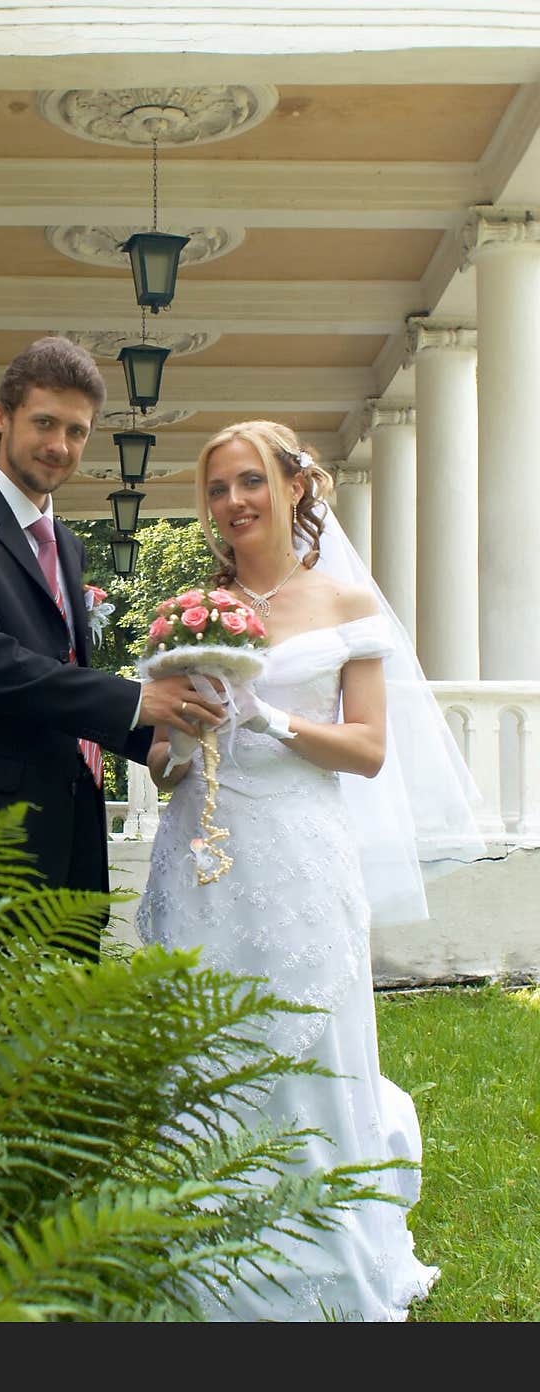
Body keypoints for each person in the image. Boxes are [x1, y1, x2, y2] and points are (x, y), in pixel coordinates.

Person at [136, 419, 483, 1321]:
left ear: (295, 486)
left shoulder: (342, 604)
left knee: (304, 1036)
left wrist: (269, 719)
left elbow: (367, 749)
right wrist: (182, 736)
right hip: (200, 854)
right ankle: (199, 1255)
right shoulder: (189, 609)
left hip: (296, 852)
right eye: (217, 490)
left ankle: (318, 1252)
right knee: (204, 1042)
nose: (233, 503)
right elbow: (164, 763)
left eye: (250, 481)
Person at [0, 336, 224, 954]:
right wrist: (136, 703)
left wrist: (163, 735)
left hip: (71, 828)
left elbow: (65, 678)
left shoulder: (67, 545)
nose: (60, 446)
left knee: (61, 1035)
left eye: (77, 432)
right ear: (1, 416)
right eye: (44, 423)